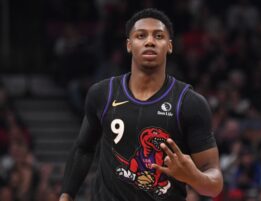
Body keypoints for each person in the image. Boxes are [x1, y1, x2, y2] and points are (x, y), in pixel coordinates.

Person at [59, 8, 223, 201]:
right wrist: (66, 194)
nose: (150, 41)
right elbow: (83, 148)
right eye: (141, 35)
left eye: (159, 36)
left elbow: (215, 183)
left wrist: (194, 177)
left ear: (169, 46)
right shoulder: (103, 93)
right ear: (129, 45)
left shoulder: (189, 102)